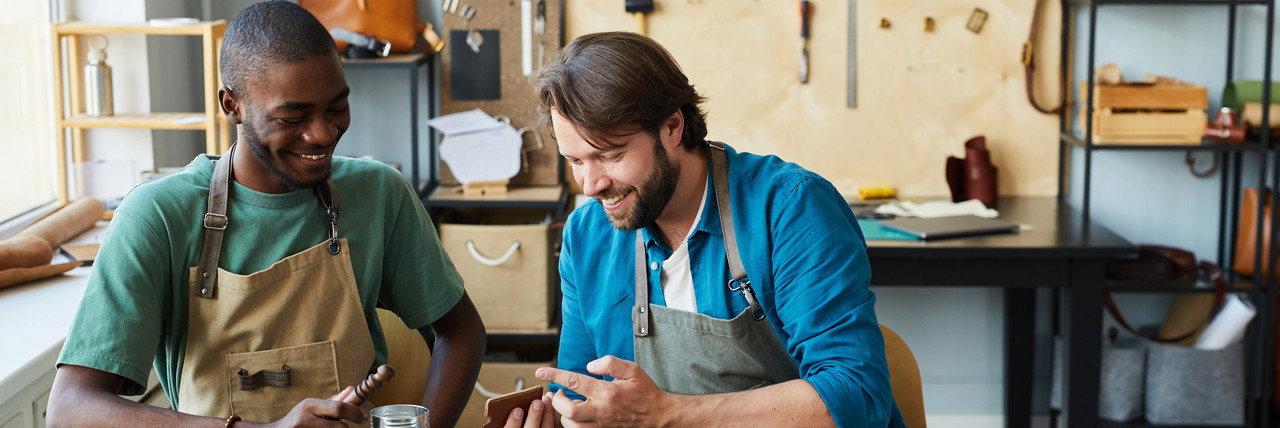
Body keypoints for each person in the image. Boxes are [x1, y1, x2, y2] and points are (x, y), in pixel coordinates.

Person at [47, 2, 486, 427]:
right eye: (293, 117)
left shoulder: (380, 194)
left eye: (336, 107)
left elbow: (462, 331)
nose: (322, 133)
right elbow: (70, 410)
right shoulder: (156, 217)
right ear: (231, 105)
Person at [498, 32, 904, 428]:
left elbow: (857, 395)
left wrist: (666, 413)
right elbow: (580, 393)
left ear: (672, 126)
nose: (590, 185)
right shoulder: (587, 235)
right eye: (575, 161)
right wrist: (563, 418)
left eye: (611, 155)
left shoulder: (791, 208)